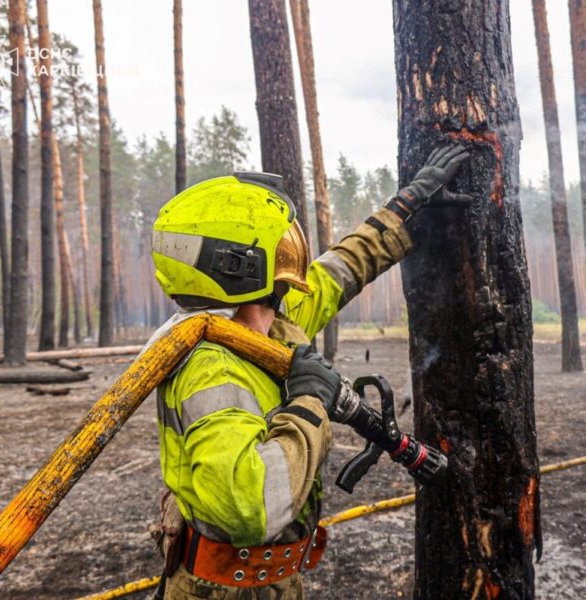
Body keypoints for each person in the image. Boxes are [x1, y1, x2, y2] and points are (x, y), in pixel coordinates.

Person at [149, 144, 469, 599]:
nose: (291, 253)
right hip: (223, 591)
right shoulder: (209, 367)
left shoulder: (269, 321)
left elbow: (339, 270)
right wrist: (309, 402)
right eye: (279, 244)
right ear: (242, 265)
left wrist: (405, 209)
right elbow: (250, 506)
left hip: (271, 582)